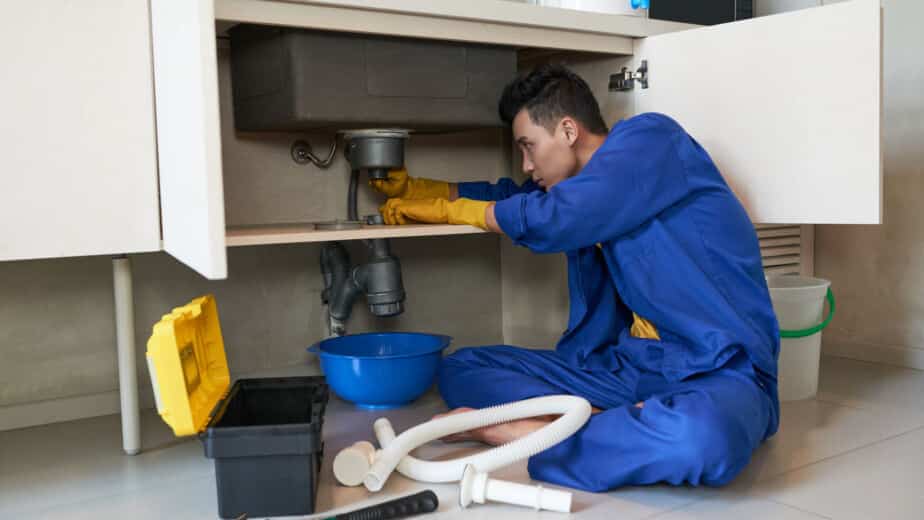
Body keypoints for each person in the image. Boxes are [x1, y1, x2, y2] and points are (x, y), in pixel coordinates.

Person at [372, 64, 779, 492]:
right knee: (462, 368)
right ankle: (612, 428)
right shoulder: (579, 185)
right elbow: (515, 198)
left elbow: (556, 217)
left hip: (719, 370)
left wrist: (459, 212)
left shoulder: (653, 140)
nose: (527, 164)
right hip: (628, 368)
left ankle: (517, 432)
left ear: (568, 130)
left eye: (529, 147)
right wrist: (423, 189)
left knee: (703, 439)